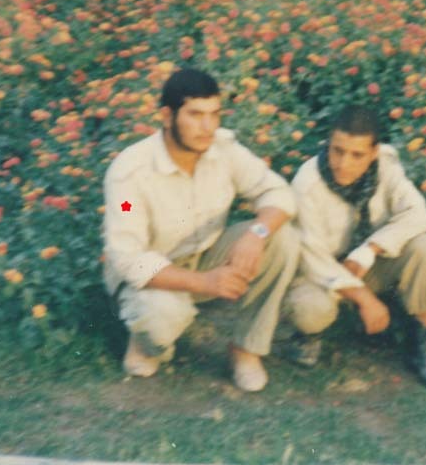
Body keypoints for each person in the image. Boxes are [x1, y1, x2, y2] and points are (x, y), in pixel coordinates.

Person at [101, 66, 299, 392]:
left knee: (283, 239)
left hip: (205, 256)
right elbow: (128, 258)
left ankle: (245, 350)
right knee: (161, 317)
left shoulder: (223, 149)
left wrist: (257, 234)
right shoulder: (130, 173)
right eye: (195, 115)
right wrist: (206, 283)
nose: (208, 127)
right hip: (153, 275)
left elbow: (278, 192)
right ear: (167, 116)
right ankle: (146, 343)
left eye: (214, 114)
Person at [281, 105, 426, 391]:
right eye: (337, 151)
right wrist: (364, 298)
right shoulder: (307, 182)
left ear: (374, 152)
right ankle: (308, 335)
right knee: (310, 310)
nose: (343, 163)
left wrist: (370, 249)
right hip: (321, 273)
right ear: (328, 143)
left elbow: (418, 214)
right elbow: (312, 256)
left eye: (357, 155)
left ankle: (423, 344)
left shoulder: (386, 165)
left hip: (365, 265)